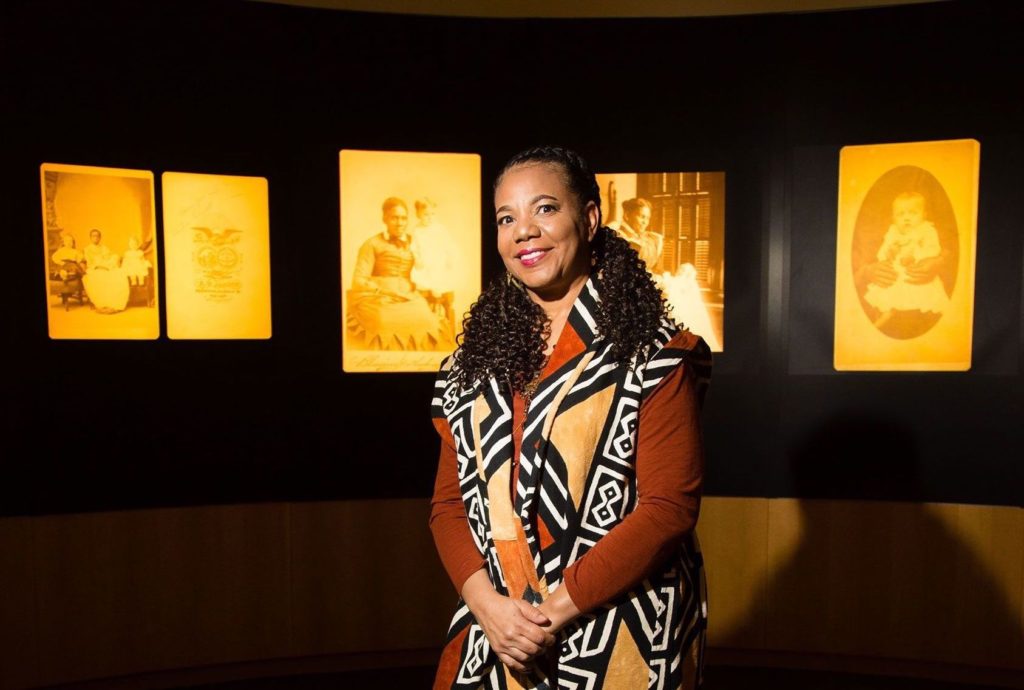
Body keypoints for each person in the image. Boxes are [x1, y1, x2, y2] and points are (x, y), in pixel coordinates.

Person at [430, 147, 710, 689]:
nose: (523, 232)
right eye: (507, 218)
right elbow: (447, 505)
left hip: (619, 628)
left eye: (544, 210)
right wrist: (487, 606)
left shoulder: (654, 354)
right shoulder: (470, 365)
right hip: (498, 629)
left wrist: (549, 613)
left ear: (588, 218)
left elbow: (669, 507)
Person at [348, 197, 447, 350]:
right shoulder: (371, 244)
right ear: (384, 219)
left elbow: (431, 267)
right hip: (379, 297)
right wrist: (379, 290)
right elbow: (358, 279)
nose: (400, 223)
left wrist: (435, 290)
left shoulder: (416, 242)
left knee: (427, 320)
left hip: (409, 295)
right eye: (394, 218)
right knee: (383, 321)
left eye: (403, 218)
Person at [859, 192, 949, 329]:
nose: (906, 218)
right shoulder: (893, 231)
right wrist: (889, 252)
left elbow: (933, 250)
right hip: (897, 273)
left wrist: (916, 256)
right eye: (900, 214)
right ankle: (885, 314)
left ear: (924, 215)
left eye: (913, 213)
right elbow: (882, 253)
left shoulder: (927, 230)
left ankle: (921, 320)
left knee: (924, 300)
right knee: (886, 295)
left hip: (917, 271)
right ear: (893, 218)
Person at [409, 197, 457, 329]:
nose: (429, 217)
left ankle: (442, 307)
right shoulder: (416, 230)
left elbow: (447, 244)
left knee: (440, 279)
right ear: (418, 214)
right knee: (422, 278)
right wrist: (417, 258)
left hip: (438, 260)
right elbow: (414, 247)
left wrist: (449, 258)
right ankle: (429, 310)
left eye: (432, 214)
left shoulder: (439, 228)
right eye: (426, 214)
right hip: (425, 261)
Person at [81, 228, 129, 313]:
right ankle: (103, 304)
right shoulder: (87, 249)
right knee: (100, 276)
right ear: (90, 238)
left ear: (100, 238)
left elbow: (109, 258)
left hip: (106, 267)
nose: (95, 238)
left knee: (118, 274)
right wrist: (98, 266)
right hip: (94, 269)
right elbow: (89, 263)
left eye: (97, 236)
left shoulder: (104, 247)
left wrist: (108, 264)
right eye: (93, 236)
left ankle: (113, 303)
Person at [615, 197, 663, 268]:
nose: (645, 222)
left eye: (647, 218)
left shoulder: (652, 239)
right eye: (642, 217)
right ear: (627, 215)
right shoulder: (618, 237)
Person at [50, 232, 85, 309]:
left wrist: (80, 262)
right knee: (61, 270)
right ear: (64, 242)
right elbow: (54, 257)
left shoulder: (75, 251)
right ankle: (64, 275)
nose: (69, 243)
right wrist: (60, 262)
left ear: (73, 243)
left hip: (72, 264)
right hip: (63, 264)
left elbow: (79, 259)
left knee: (74, 268)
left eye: (71, 241)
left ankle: (68, 275)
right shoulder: (61, 250)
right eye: (67, 241)